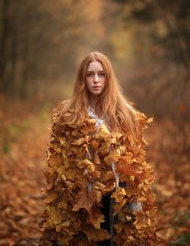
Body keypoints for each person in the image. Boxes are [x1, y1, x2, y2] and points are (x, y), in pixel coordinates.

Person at [40, 51, 157, 246]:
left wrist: (134, 202)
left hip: (118, 195)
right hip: (83, 197)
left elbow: (136, 163)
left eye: (101, 74)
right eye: (90, 74)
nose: (96, 80)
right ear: (82, 79)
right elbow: (59, 165)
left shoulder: (125, 114)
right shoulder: (68, 116)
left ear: (108, 78)